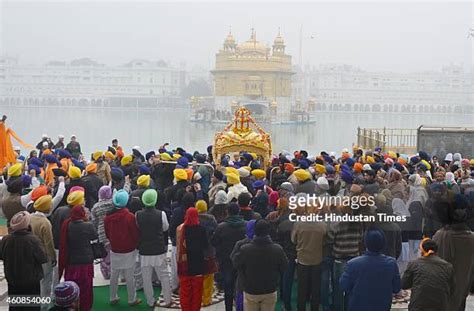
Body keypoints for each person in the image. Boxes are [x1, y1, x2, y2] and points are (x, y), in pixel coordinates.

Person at [340, 228, 401, 311]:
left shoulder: (353, 264)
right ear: (383, 243)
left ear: (366, 243)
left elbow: (344, 286)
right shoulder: (391, 263)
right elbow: (396, 288)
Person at [233, 219, 288, 311]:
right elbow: (284, 266)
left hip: (250, 289)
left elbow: (236, 263)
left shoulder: (245, 249)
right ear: (268, 231)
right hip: (270, 288)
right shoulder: (277, 249)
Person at [0, 211, 48, 311]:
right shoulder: (33, 240)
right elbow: (43, 258)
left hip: (12, 280)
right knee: (31, 307)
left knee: (15, 306)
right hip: (31, 281)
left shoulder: (5, 239)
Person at [136, 189, 172, 308]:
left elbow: (138, 229)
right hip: (158, 249)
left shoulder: (138, 215)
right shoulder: (161, 214)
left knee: (146, 278)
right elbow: (165, 228)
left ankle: (150, 301)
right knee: (164, 275)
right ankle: (167, 300)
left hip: (144, 250)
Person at [104, 189, 141, 306]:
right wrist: (136, 244)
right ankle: (132, 299)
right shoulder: (130, 217)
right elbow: (135, 234)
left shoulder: (108, 218)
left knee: (114, 273)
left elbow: (107, 233)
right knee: (130, 275)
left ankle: (112, 297)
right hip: (129, 249)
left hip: (115, 249)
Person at [58, 205, 97, 311]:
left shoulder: (67, 225)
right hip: (86, 262)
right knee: (86, 288)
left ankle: (72, 307)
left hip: (71, 262)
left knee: (71, 287)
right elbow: (94, 236)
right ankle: (85, 307)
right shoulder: (88, 225)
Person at [401, 238, 455, 311]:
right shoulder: (448, 266)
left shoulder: (414, 264)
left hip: (418, 306)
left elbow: (404, 284)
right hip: (440, 306)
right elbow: (452, 289)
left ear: (422, 250)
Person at [211, 203, 246, 311]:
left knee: (228, 288)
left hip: (226, 261)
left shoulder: (221, 227)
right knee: (242, 288)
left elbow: (214, 242)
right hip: (242, 261)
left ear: (227, 212)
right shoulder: (245, 225)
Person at [291, 203, 327, 311]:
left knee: (302, 289)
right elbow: (324, 242)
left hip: (302, 260)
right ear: (317, 211)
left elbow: (293, 240)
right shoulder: (322, 225)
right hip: (317, 260)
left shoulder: (298, 224)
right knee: (315, 290)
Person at [176, 208, 209, 311]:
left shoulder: (180, 229)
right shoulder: (202, 229)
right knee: (197, 293)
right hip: (198, 265)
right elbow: (205, 246)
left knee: (185, 293)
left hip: (185, 266)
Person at [30, 195, 56, 310]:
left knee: (35, 282)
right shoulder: (45, 222)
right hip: (44, 257)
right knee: (46, 281)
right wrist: (53, 258)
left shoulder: (29, 218)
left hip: (31, 256)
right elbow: (49, 243)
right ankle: (44, 306)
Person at [195, 200, 218, 307]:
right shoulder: (211, 219)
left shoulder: (194, 219)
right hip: (209, 251)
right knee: (209, 276)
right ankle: (207, 299)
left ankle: (198, 297)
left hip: (197, 252)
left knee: (198, 276)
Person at [90, 186, 114, 280]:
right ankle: (114, 270)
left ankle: (106, 272)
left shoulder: (96, 206)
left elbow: (94, 221)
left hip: (101, 232)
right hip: (112, 231)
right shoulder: (113, 203)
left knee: (104, 253)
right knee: (113, 252)